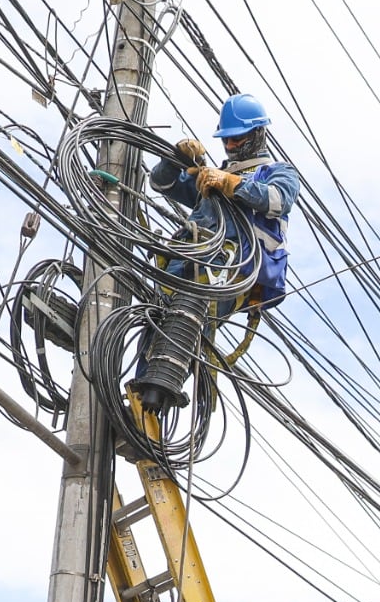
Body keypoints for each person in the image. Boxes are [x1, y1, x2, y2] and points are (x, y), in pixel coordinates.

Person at [131, 93, 306, 412]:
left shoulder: (276, 172)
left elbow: (278, 200)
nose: (232, 147)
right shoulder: (211, 179)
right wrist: (176, 159)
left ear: (257, 134)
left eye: (238, 139)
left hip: (236, 267)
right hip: (187, 262)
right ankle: (141, 406)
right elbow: (162, 184)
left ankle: (165, 394)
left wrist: (231, 184)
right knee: (158, 320)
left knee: (190, 310)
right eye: (228, 141)